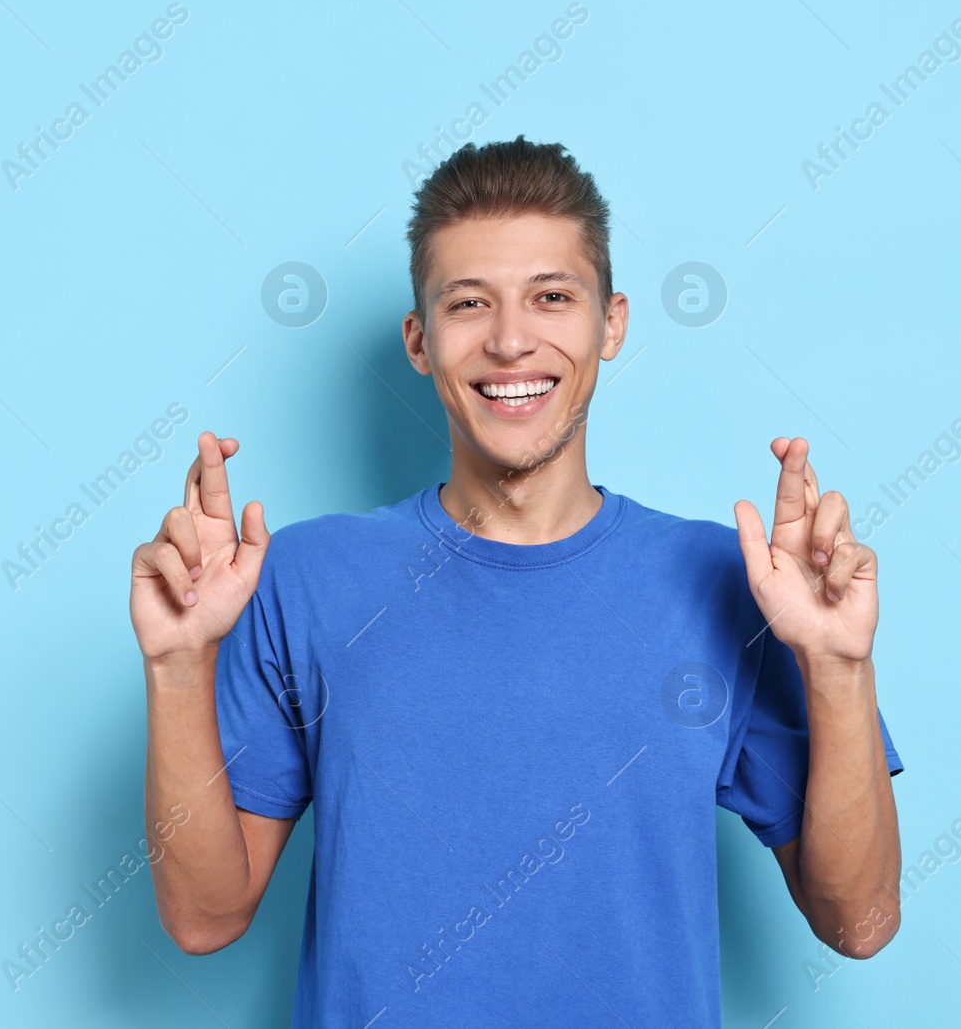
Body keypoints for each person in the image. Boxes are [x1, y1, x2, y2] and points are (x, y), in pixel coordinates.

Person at [130, 136, 903, 1027]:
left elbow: (861, 922)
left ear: (611, 323)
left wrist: (839, 666)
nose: (509, 340)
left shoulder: (740, 586)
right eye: (469, 303)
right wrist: (178, 663)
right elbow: (202, 917)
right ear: (419, 341)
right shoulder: (299, 580)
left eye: (552, 297)